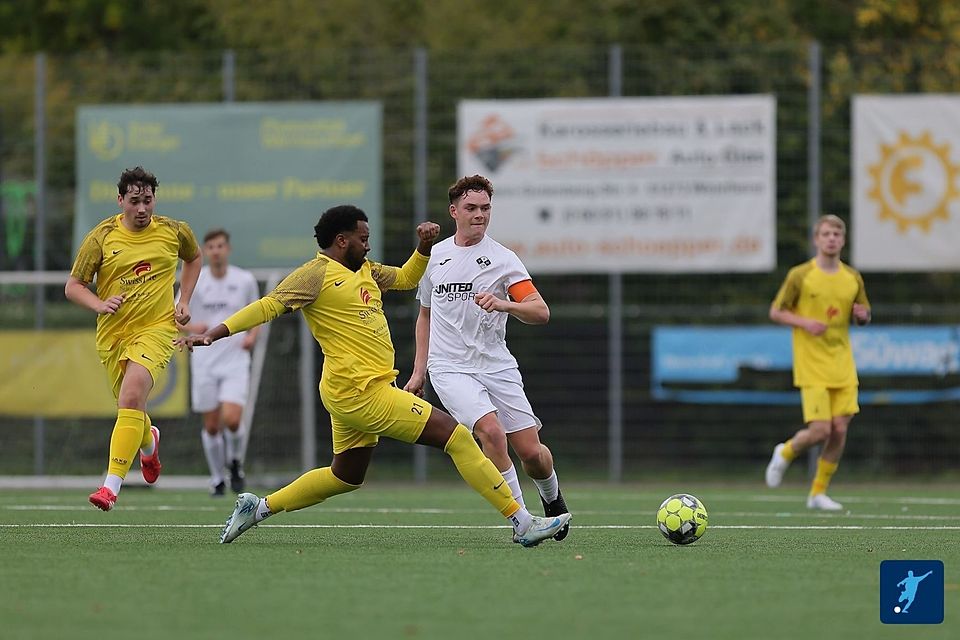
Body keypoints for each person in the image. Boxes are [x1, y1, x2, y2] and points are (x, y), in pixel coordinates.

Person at [176, 205, 571, 546]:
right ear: (342, 240)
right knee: (459, 438)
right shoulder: (315, 275)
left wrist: (423, 248)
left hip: (351, 392)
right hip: (362, 393)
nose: (369, 243)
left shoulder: (365, 270)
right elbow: (267, 306)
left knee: (345, 476)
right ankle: (521, 522)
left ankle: (257, 508)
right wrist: (216, 332)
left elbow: (407, 278)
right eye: (363, 238)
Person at [403, 174, 570, 542]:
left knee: (532, 454)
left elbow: (540, 312)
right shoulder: (435, 257)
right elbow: (426, 315)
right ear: (454, 211)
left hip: (496, 365)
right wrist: (419, 372)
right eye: (471, 208)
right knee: (490, 432)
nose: (479, 215)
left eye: (485, 208)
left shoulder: (502, 259)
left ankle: (552, 498)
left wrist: (504, 304)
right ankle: (523, 521)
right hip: (449, 367)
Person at [66, 166, 201, 511]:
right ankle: (148, 443)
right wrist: (99, 303)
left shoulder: (173, 231)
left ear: (155, 199)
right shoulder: (102, 237)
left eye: (148, 200)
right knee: (131, 407)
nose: (142, 209)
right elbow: (73, 286)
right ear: (120, 200)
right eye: (134, 201)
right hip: (113, 335)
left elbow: (193, 257)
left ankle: (110, 487)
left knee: (130, 398)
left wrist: (182, 300)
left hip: (156, 330)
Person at [764, 214, 871, 511]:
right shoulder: (800, 275)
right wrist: (804, 323)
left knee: (840, 429)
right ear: (816, 239)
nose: (831, 238)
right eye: (826, 234)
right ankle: (785, 452)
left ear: (843, 240)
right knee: (821, 430)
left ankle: (818, 493)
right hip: (811, 363)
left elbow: (863, 312)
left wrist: (863, 318)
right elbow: (776, 311)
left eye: (837, 234)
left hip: (842, 362)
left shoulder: (852, 278)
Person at [180, 229, 261, 496]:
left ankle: (236, 463)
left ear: (228, 249)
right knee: (212, 425)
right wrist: (193, 326)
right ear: (205, 251)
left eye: (220, 246)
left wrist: (251, 337)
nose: (216, 251)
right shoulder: (195, 281)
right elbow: (176, 317)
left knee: (233, 419)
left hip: (235, 359)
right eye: (211, 247)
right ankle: (217, 478)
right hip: (204, 361)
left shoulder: (244, 279)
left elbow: (258, 312)